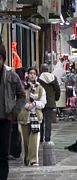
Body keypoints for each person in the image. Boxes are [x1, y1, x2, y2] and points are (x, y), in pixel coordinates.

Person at [0, 44, 25, 180]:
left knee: (3, 154)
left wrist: (14, 112)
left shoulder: (10, 75)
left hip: (5, 119)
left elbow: (22, 95)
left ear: (3, 59)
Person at [18, 67, 47, 166]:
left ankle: (34, 160)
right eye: (30, 73)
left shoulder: (40, 88)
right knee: (25, 141)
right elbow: (18, 99)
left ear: (37, 76)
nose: (32, 75)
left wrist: (34, 104)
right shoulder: (22, 87)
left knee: (34, 140)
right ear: (27, 74)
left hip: (35, 117)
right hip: (24, 116)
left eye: (34, 73)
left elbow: (43, 103)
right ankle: (27, 158)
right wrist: (26, 105)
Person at [38, 64, 61, 142]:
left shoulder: (39, 78)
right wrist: (56, 98)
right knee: (48, 121)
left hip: (41, 102)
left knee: (40, 120)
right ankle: (47, 138)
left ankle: (40, 138)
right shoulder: (53, 78)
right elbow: (58, 90)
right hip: (50, 102)